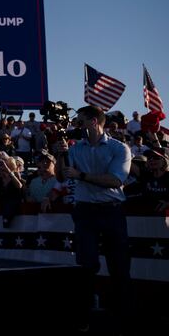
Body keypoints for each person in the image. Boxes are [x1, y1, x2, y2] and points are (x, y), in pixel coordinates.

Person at [55, 105, 132, 331]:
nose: (76, 125)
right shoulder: (76, 148)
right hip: (85, 212)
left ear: (93, 122)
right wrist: (60, 154)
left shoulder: (120, 149)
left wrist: (82, 176)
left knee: (119, 266)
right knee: (86, 265)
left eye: (79, 121)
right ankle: (84, 317)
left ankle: (123, 317)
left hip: (112, 211)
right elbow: (61, 175)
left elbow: (116, 180)